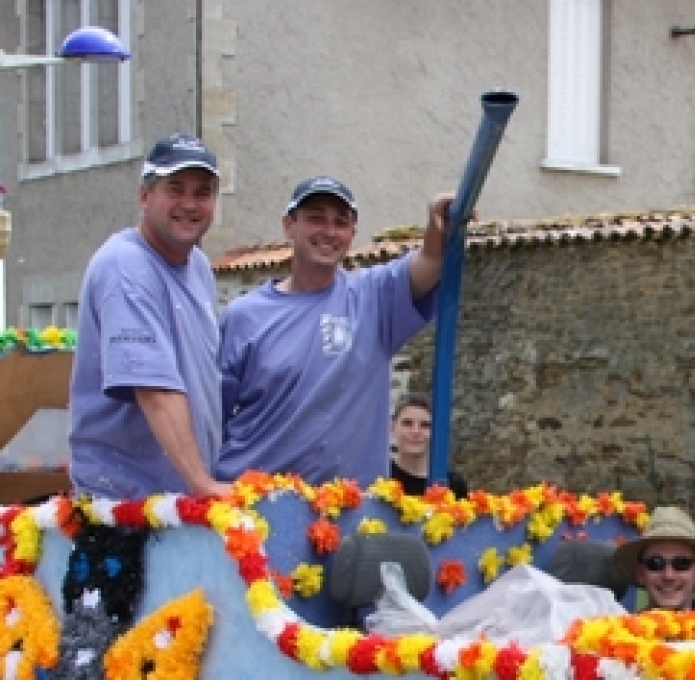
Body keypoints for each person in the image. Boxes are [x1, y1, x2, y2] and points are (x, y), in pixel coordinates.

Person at [216, 176, 452, 487]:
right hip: (259, 502)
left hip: (349, 506)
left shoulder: (374, 298)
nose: (329, 231)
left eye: (340, 222)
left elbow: (432, 259)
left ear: (352, 233)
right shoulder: (244, 315)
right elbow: (211, 417)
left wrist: (439, 220)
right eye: (316, 218)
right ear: (289, 225)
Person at [69, 133, 232, 500]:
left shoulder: (198, 267)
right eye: (175, 189)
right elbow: (155, 389)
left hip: (178, 502)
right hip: (125, 506)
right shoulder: (126, 264)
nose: (189, 204)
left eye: (202, 193)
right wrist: (203, 484)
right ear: (145, 196)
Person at [613, 506, 695, 611]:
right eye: (655, 564)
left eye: (682, 563)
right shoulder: (621, 625)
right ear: (640, 573)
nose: (668, 576)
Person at [390, 392, 469, 499]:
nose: (415, 432)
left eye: (425, 425)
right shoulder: (380, 477)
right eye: (407, 423)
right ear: (393, 427)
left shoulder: (454, 485)